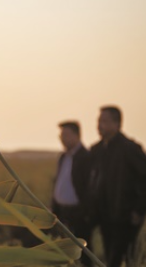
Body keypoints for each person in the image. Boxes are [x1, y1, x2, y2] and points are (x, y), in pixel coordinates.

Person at [89, 105, 146, 267]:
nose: (99, 125)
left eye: (104, 121)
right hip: (105, 216)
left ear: (117, 124)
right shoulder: (97, 150)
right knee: (109, 257)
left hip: (126, 217)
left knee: (124, 260)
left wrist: (139, 210)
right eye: (98, 121)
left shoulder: (130, 148)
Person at [51, 121, 92, 266]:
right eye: (61, 135)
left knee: (83, 252)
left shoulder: (86, 157)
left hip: (79, 214)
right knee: (65, 254)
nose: (62, 139)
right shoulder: (63, 157)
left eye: (66, 135)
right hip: (62, 213)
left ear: (77, 135)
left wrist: (86, 212)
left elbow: (89, 188)